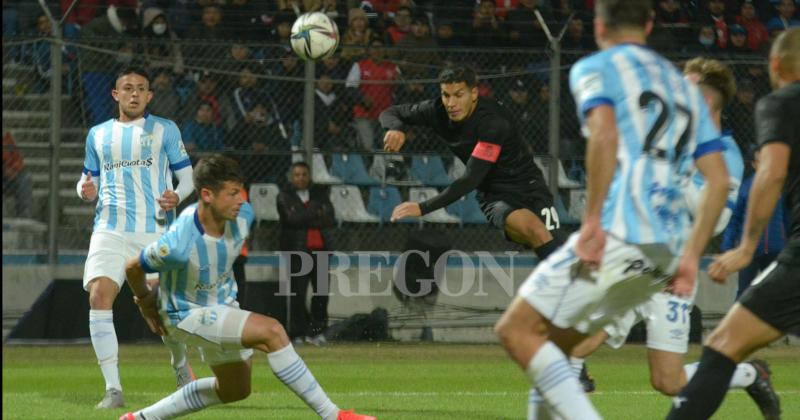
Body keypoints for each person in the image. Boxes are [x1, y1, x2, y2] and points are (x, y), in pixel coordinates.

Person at [493, 1, 731, 418]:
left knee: (515, 329)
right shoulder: (682, 88)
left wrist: (591, 223)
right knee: (559, 349)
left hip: (623, 230)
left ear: (599, 26)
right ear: (650, 24)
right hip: (668, 250)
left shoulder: (596, 67)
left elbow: (602, 136)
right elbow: (717, 178)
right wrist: (691, 255)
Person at [568, 57, 781, 417]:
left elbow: (715, 219)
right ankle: (748, 373)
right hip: (637, 258)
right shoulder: (667, 142)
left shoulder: (724, 156)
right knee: (576, 340)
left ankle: (748, 373)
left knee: (666, 380)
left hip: (669, 269)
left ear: (708, 99)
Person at [118, 155, 373, 420]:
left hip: (223, 306)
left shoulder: (244, 216)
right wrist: (145, 302)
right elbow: (132, 267)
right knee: (272, 332)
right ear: (207, 195)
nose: (241, 200)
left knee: (234, 390)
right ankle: (334, 416)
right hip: (187, 314)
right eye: (232, 194)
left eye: (241, 192)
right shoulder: (177, 243)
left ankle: (141, 418)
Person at [667, 27, 800, 420]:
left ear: (775, 65)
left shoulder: (782, 103)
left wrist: (746, 246)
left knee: (723, 344)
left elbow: (771, 173)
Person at [77, 66, 197, 409]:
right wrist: (85, 190)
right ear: (115, 94)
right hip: (109, 229)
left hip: (154, 229)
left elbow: (186, 179)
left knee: (162, 310)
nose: (134, 94)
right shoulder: (98, 135)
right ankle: (113, 389)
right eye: (127, 88)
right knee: (100, 296)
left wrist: (177, 195)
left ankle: (179, 366)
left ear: (149, 96)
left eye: (140, 89)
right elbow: (88, 182)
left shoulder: (165, 130)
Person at [380, 65, 564, 260]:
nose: (451, 103)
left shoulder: (492, 123)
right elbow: (390, 113)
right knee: (537, 232)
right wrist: (395, 128)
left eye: (458, 95)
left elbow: (470, 179)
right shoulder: (437, 110)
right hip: (495, 196)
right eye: (446, 95)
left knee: (558, 251)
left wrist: (423, 207)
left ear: (474, 93)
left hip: (531, 188)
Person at [277, 162, 336, 342]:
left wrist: (304, 215)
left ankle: (318, 332)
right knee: (297, 294)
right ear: (291, 177)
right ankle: (297, 333)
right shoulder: (284, 196)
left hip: (321, 251)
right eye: (297, 175)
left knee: (321, 293)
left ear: (309, 176)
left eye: (304, 174)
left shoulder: (320, 194)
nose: (301, 178)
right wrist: (314, 212)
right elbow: (291, 219)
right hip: (298, 252)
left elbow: (329, 218)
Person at [721, 149, 790, 298]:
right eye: (760, 161)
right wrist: (727, 246)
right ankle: (739, 320)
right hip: (749, 250)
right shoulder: (745, 188)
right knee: (745, 291)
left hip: (775, 249)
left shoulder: (779, 187)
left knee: (775, 292)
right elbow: (735, 219)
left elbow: (787, 217)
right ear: (753, 164)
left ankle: (771, 321)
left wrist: (790, 242)